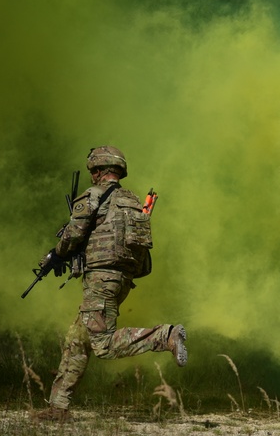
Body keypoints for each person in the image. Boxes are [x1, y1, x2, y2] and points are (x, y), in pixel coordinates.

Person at [34, 146, 187, 421]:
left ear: (101, 171)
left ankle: (165, 335)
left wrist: (56, 256)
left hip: (101, 279)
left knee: (102, 344)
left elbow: (74, 234)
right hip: (122, 279)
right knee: (78, 340)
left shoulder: (93, 196)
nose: (92, 175)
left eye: (93, 170)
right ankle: (58, 408)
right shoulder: (132, 200)